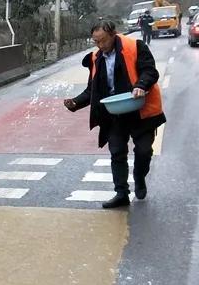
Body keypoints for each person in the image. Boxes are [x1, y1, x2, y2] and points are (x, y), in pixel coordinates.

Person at [64, 19, 165, 209]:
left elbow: (150, 72)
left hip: (140, 110)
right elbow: (92, 90)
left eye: (103, 40)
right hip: (115, 113)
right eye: (96, 42)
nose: (100, 46)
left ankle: (139, 177)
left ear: (113, 34)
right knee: (117, 152)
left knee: (144, 151)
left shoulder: (135, 47)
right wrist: (75, 103)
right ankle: (121, 193)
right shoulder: (97, 58)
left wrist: (141, 85)